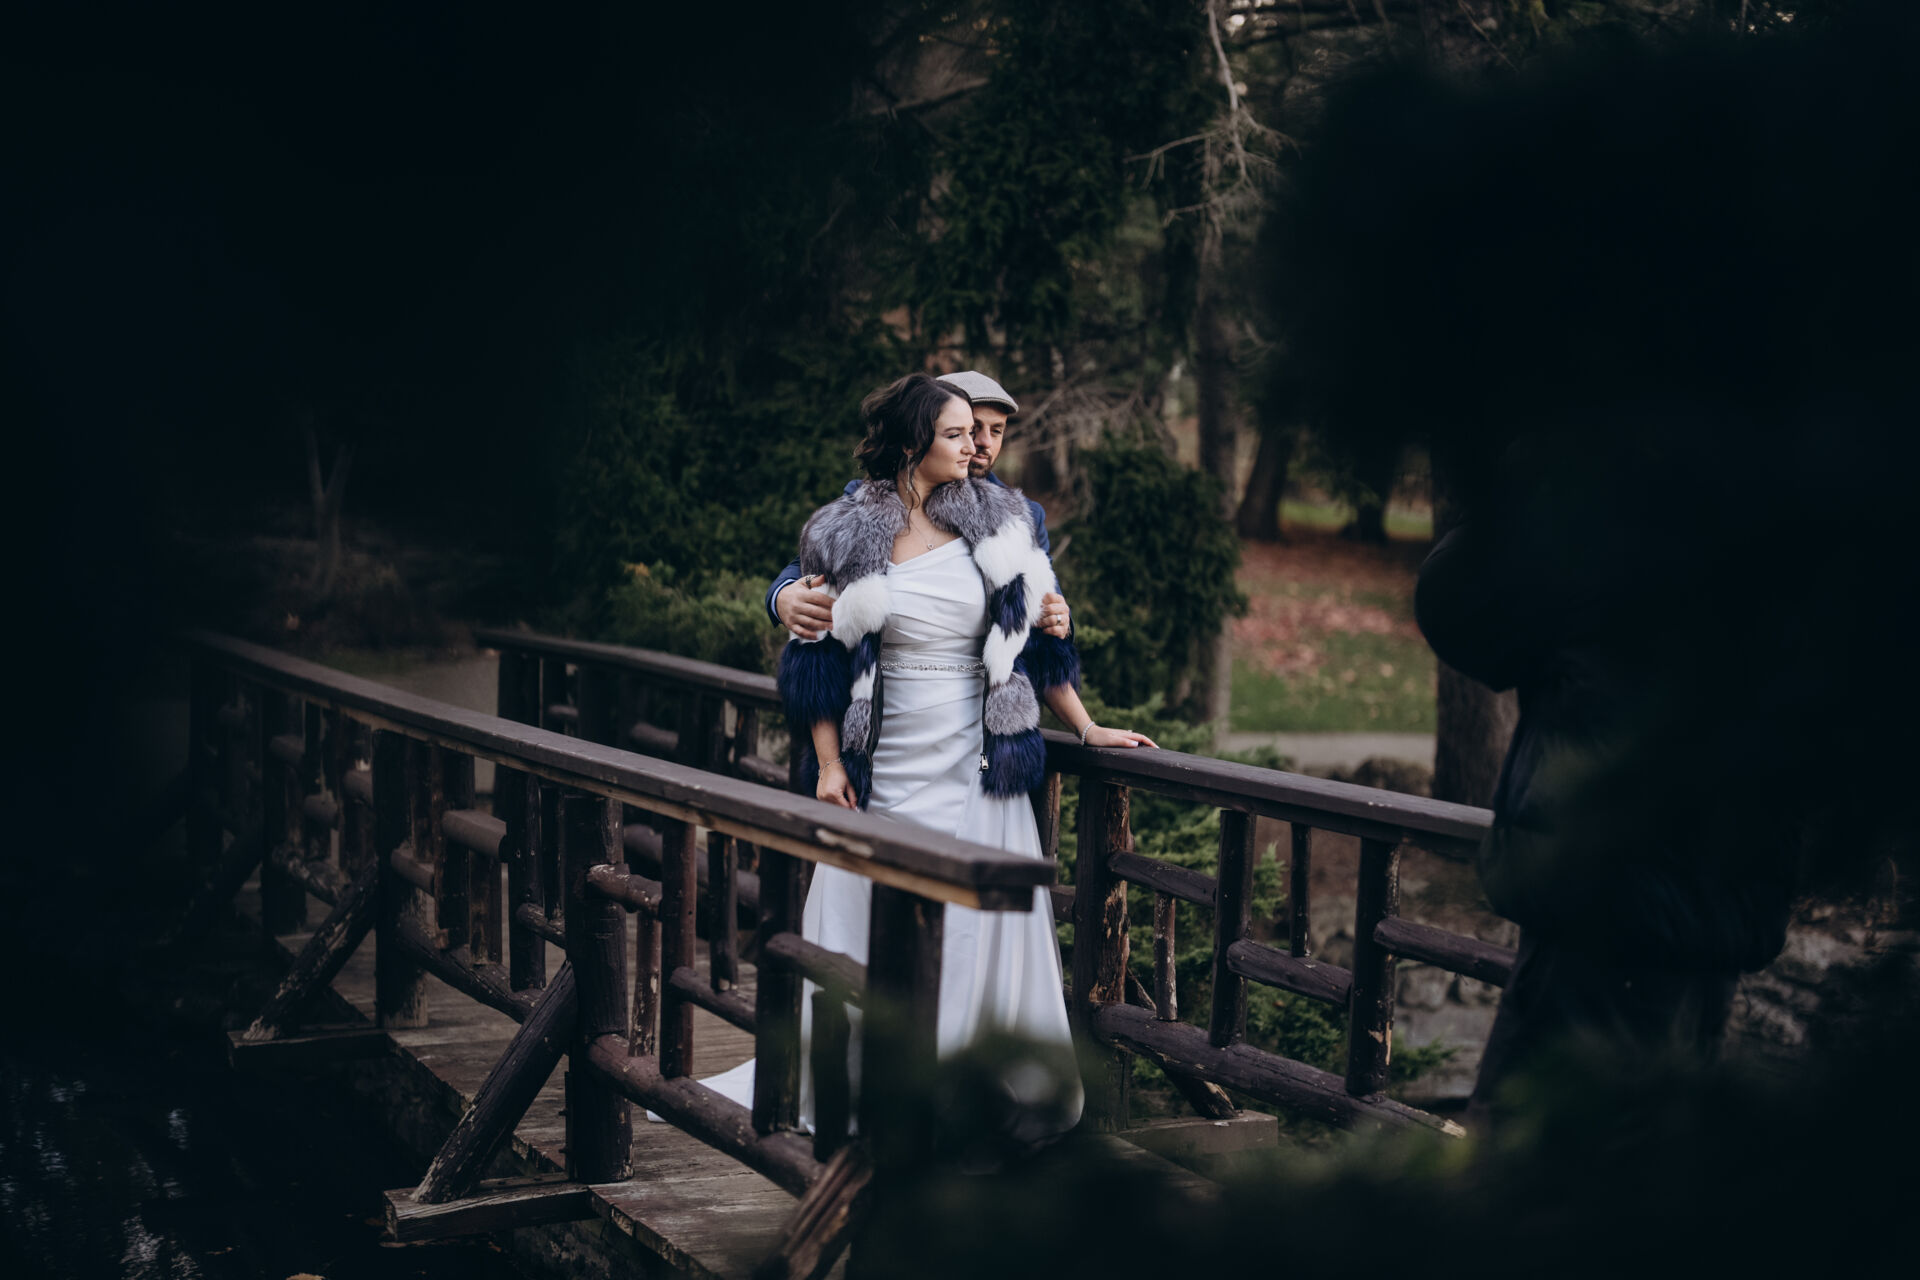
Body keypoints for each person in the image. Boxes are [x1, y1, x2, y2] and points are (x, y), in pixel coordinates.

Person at [697, 372, 1155, 1133]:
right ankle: (862, 1084)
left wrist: (1086, 726)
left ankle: (970, 1088)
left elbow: (1036, 642)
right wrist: (828, 760)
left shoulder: (1007, 522)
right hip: (883, 753)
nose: (979, 446)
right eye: (962, 431)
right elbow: (815, 656)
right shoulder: (852, 523)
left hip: (978, 756)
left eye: (988, 433)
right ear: (918, 440)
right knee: (864, 909)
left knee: (977, 923)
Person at [767, 370, 1074, 646]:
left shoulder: (1021, 515)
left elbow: (1047, 602)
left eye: (996, 430)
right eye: (969, 429)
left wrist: (1060, 620)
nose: (981, 442)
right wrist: (781, 597)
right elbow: (806, 565)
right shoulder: (871, 501)